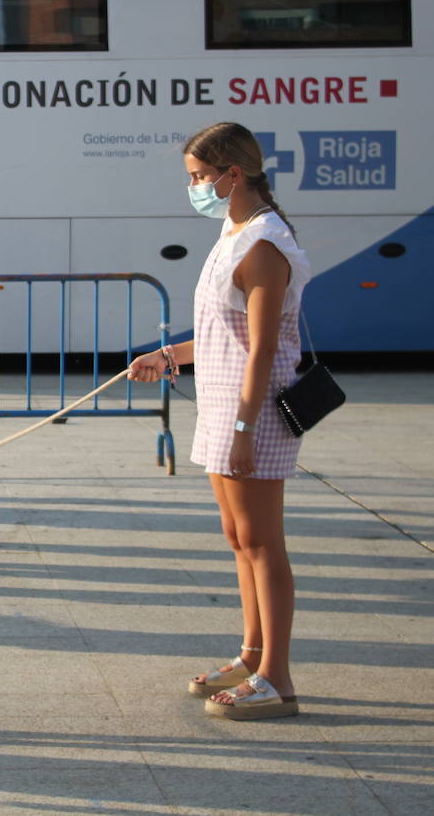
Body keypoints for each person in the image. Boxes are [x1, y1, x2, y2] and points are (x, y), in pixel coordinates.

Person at [128, 122, 311, 720]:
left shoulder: (264, 244)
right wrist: (165, 356)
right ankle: (251, 655)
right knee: (239, 541)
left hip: (250, 415)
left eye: (201, 177)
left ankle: (276, 679)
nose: (196, 188)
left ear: (236, 174)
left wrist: (242, 431)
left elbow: (261, 349)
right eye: (192, 178)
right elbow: (217, 336)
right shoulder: (233, 234)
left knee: (264, 545)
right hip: (221, 405)